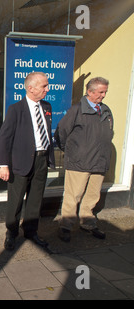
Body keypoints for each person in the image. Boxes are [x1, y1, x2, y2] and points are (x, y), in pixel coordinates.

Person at [0, 72, 55, 251]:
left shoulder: (46, 106)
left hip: (41, 159)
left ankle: (31, 231)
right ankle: (11, 233)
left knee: (35, 199)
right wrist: (4, 165)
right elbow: (4, 138)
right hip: (20, 162)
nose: (47, 89)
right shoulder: (16, 109)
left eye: (47, 85)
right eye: (44, 86)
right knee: (15, 201)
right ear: (30, 88)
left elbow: (45, 131)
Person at [55, 77, 113, 242]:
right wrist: (72, 151)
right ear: (90, 91)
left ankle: (88, 222)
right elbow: (61, 132)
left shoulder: (106, 110)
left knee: (93, 195)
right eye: (101, 92)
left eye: (105, 92)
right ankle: (65, 226)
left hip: (99, 161)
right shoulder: (77, 110)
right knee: (73, 195)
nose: (103, 95)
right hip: (79, 162)